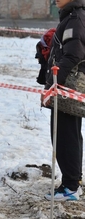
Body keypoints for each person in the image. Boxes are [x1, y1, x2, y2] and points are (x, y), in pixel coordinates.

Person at [43, 0, 85, 201]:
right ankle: (73, 182)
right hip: (65, 87)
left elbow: (74, 54)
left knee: (65, 135)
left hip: (67, 89)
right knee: (68, 134)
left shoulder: (75, 18)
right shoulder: (70, 17)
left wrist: (54, 81)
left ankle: (70, 187)